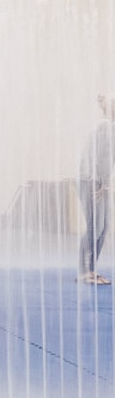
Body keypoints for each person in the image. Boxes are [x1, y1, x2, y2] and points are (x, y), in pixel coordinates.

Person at [77, 94, 115, 285]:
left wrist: (106, 184)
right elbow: (96, 156)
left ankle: (92, 269)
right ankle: (84, 271)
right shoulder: (105, 126)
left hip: (101, 182)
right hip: (90, 181)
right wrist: (97, 182)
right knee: (95, 226)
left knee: (104, 226)